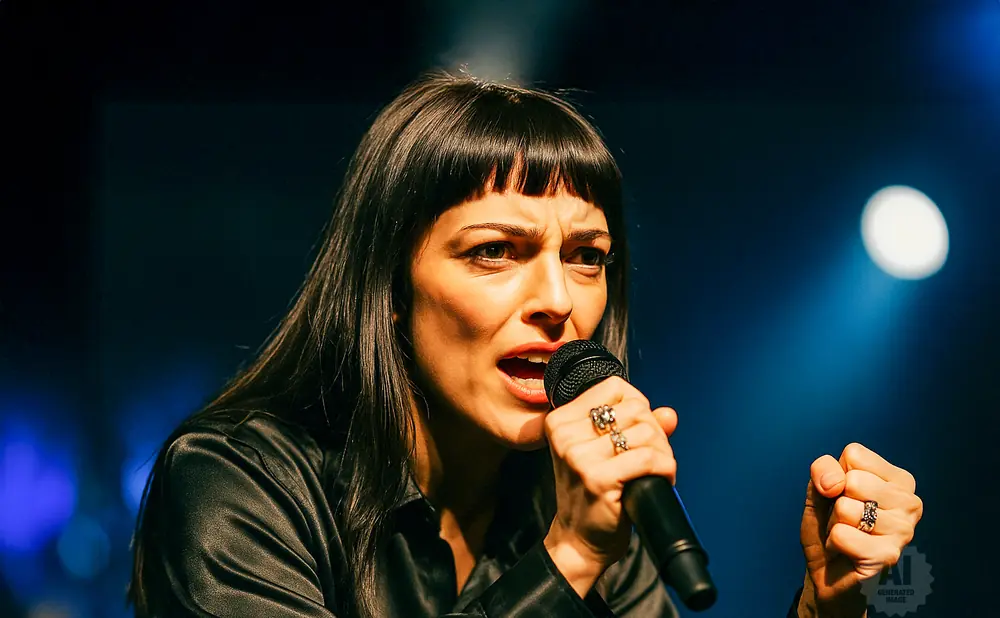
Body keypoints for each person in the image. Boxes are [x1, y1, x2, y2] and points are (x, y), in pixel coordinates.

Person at [127, 71, 923, 618]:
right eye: (494, 252)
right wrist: (567, 560)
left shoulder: (581, 502)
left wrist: (828, 602)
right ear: (390, 290)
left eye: (587, 257)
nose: (556, 302)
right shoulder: (235, 483)